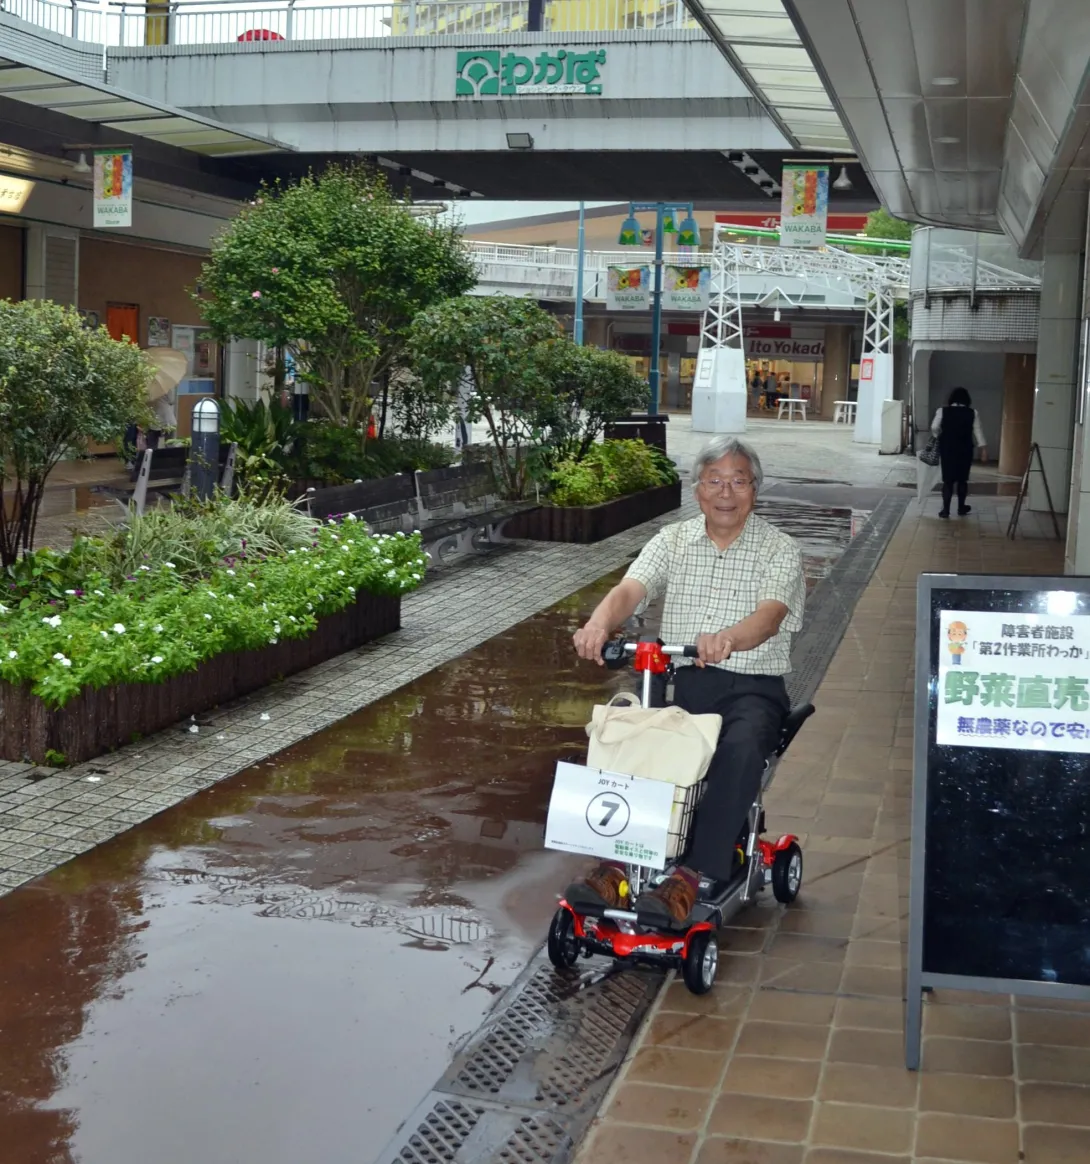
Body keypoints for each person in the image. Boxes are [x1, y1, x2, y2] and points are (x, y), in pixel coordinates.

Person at [567, 435, 805, 927]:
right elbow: (632, 587)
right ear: (697, 490)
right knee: (629, 741)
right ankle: (616, 865)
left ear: (754, 490)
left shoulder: (779, 550)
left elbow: (770, 616)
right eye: (714, 480)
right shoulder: (673, 540)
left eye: (738, 481)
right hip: (685, 685)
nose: (725, 491)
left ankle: (692, 875)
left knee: (738, 749)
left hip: (752, 687)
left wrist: (729, 639)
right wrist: (598, 623)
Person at [932, 386, 986, 518]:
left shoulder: (942, 411)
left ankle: (945, 510)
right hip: (965, 449)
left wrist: (937, 435)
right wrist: (983, 449)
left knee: (948, 480)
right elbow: (978, 431)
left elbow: (934, 427)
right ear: (967, 399)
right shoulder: (972, 413)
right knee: (962, 480)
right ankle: (961, 507)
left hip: (947, 449)